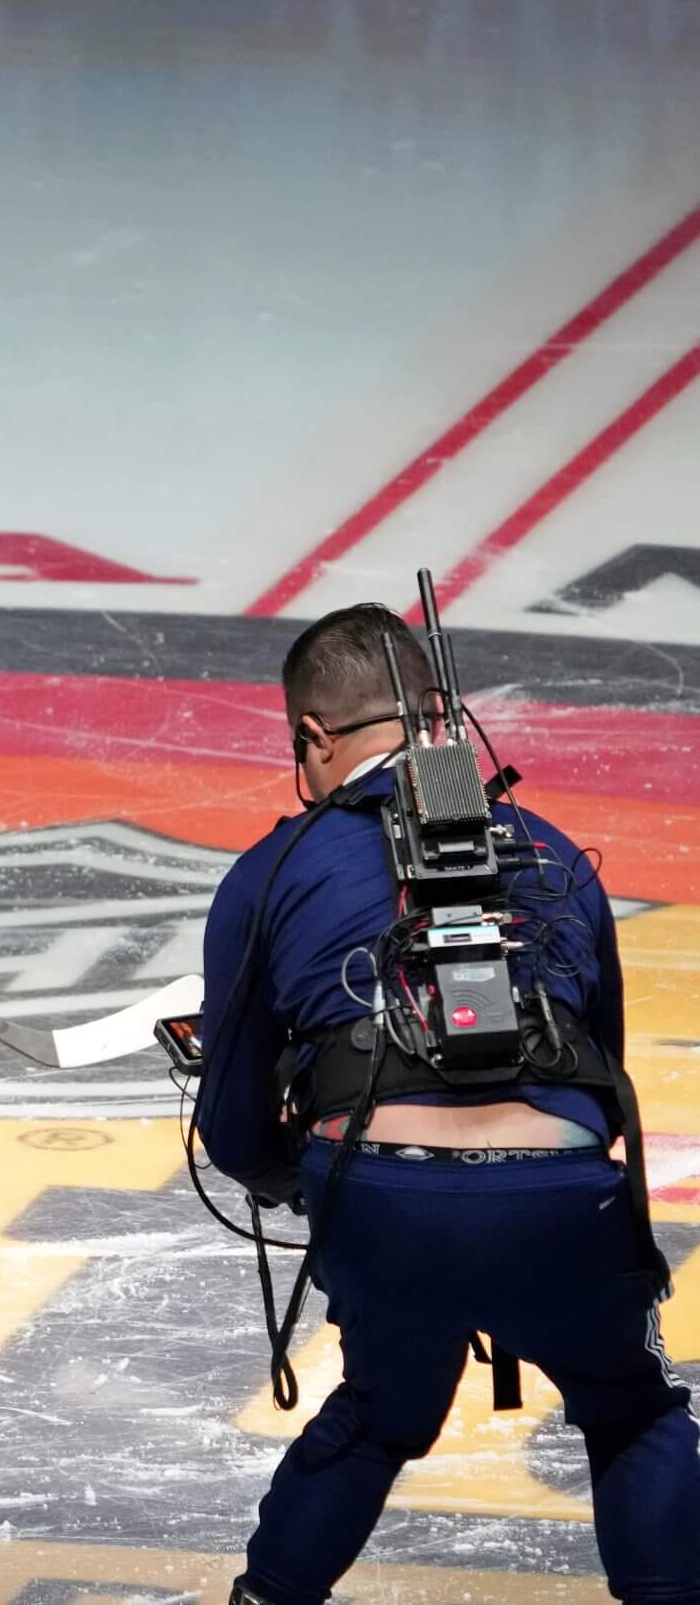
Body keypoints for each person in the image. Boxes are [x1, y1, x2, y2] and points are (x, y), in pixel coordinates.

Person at [193, 604, 698, 1605]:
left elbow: (233, 1122)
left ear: (312, 737)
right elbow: (600, 1071)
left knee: (378, 1414)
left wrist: (294, 1180)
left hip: (382, 1199)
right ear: (439, 717)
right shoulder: (553, 851)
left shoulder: (272, 870)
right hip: (561, 1200)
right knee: (633, 1411)